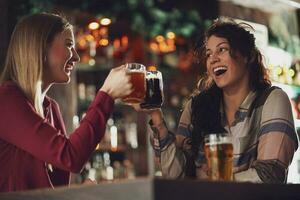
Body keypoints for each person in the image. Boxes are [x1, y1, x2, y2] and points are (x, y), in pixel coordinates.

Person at [137, 18, 298, 183]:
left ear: (247, 56)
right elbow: (177, 176)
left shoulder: (272, 100)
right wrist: (155, 115)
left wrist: (212, 182)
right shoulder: (196, 107)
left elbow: (269, 175)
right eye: (208, 54)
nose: (213, 59)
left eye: (222, 49)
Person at [0, 13, 132, 192]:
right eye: (69, 45)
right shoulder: (6, 99)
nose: (76, 57)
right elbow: (70, 157)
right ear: (40, 47)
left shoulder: (50, 108)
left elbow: (57, 185)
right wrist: (106, 94)